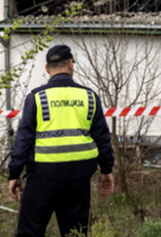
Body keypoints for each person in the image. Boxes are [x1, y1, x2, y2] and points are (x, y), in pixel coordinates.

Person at [8, 45, 115, 237]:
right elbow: (102, 138)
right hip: (79, 177)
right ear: (71, 64)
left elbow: (23, 139)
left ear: (47, 68)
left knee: (29, 232)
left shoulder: (37, 98)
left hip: (42, 176)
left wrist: (14, 173)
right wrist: (106, 170)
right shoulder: (89, 97)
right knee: (75, 233)